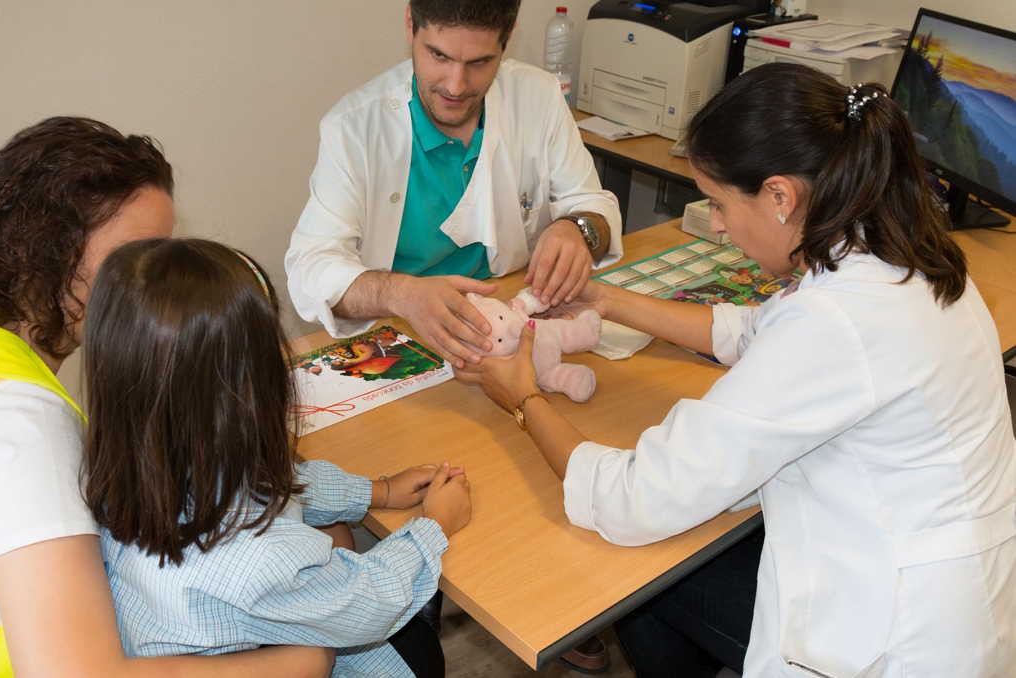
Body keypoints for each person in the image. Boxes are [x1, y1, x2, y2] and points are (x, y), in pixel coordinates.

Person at [461, 62, 1016, 676]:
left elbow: (634, 499)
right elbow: (755, 332)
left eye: (719, 203)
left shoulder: (833, 323)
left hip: (894, 638)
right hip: (959, 588)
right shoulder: (901, 252)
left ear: (780, 195)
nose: (717, 225)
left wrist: (522, 398)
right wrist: (607, 299)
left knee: (641, 586)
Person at [0, 117, 331, 677]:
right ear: (47, 252)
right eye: (136, 258)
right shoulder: (16, 426)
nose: (158, 281)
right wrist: (307, 658)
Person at [81, 237, 473, 678]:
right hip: (290, 645)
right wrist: (434, 526)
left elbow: (263, 484)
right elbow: (369, 604)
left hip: (247, 642)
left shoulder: (124, 469)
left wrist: (374, 491)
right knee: (414, 654)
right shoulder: (255, 561)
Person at [285, 0, 623, 372]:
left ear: (507, 41)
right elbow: (309, 269)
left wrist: (577, 230)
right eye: (438, 56)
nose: (456, 85)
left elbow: (592, 204)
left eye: (479, 63)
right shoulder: (353, 128)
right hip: (406, 333)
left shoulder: (537, 96)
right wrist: (400, 293)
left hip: (510, 328)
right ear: (411, 25)